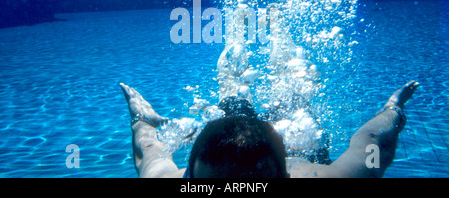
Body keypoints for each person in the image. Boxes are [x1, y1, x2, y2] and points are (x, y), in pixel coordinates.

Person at [120, 80, 419, 178]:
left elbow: (149, 151)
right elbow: (374, 142)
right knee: (287, 106)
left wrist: (142, 120)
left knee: (291, 100)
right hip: (286, 155)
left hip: (293, 151)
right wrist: (392, 110)